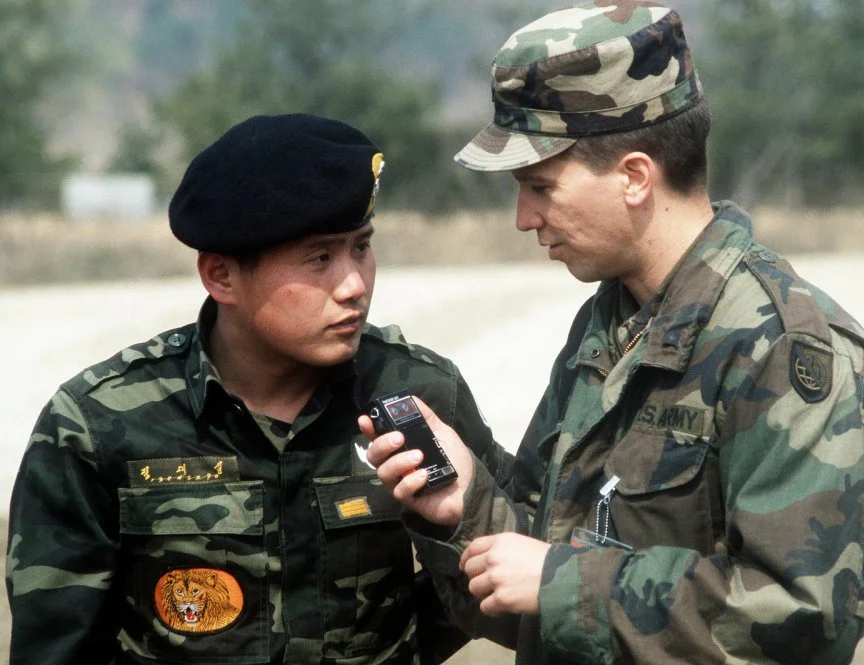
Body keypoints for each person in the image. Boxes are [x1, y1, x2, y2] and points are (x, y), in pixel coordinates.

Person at [362, 3, 864, 664]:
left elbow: (802, 617)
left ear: (635, 177)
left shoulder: (783, 348)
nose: (523, 217)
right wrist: (464, 502)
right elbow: (537, 591)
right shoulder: (608, 325)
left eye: (540, 186)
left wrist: (562, 583)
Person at [4, 113, 511, 665]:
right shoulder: (98, 424)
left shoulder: (416, 393)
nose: (354, 284)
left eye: (361, 247)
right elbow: (55, 642)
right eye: (319, 258)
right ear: (221, 276)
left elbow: (507, 572)